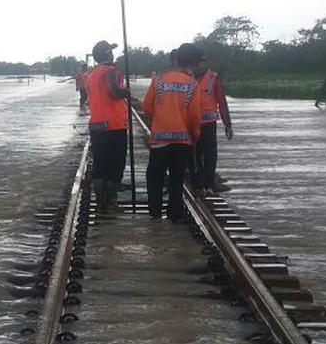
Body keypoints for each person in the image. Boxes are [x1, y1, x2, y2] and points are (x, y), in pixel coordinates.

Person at [140, 43, 204, 221]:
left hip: (159, 139)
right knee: (177, 180)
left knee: (155, 178)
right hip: (182, 141)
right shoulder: (192, 84)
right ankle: (174, 215)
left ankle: (155, 214)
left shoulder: (159, 81)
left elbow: (146, 107)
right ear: (191, 63)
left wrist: (160, 117)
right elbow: (194, 116)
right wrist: (194, 134)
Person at [86, 40, 131, 207]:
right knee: (115, 165)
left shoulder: (91, 74)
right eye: (111, 51)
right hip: (114, 125)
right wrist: (125, 91)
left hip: (97, 125)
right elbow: (113, 92)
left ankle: (100, 201)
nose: (113, 54)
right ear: (107, 54)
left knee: (99, 164)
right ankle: (110, 202)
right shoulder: (110, 71)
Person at [192, 58, 233, 195]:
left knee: (209, 154)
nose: (197, 66)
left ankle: (209, 182)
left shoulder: (213, 79)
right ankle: (199, 182)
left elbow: (222, 102)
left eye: (199, 63)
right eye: (195, 63)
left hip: (208, 125)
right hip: (191, 123)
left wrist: (227, 124)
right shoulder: (188, 78)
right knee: (195, 154)